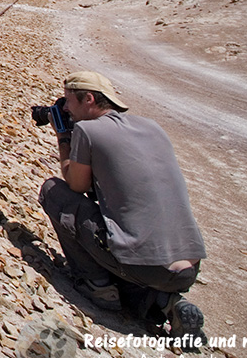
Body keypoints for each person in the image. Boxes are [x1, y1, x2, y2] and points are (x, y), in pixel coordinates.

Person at [38, 71, 207, 343]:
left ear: (89, 99)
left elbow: (76, 185)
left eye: (69, 101)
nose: (66, 107)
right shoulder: (152, 126)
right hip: (189, 268)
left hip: (146, 265)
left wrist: (63, 137)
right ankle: (166, 301)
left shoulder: (87, 130)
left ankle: (97, 285)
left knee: (53, 192)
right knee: (134, 245)